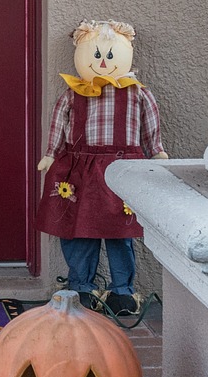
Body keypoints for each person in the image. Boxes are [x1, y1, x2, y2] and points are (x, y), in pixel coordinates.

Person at [35, 19, 166, 317]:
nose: (104, 62)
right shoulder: (74, 93)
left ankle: (122, 292)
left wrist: (156, 152)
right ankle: (82, 287)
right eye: (96, 55)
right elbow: (59, 124)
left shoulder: (137, 93)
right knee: (79, 230)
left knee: (120, 232)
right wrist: (51, 154)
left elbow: (150, 125)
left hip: (122, 171)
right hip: (80, 169)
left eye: (109, 55)